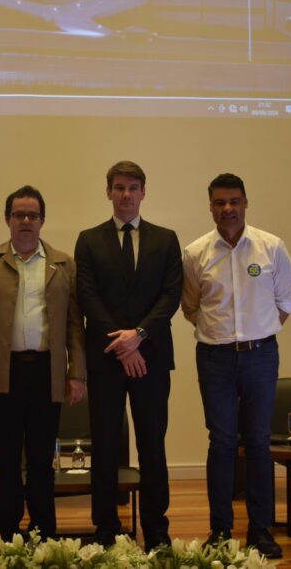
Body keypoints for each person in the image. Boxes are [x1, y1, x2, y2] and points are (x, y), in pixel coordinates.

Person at [0, 185, 86, 540]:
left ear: (43, 220)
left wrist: (77, 374)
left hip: (46, 372)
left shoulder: (63, 264)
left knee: (43, 459)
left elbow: (76, 324)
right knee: (7, 458)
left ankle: (45, 529)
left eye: (32, 215)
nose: (26, 221)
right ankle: (8, 530)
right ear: (7, 219)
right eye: (19, 215)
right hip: (2, 373)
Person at [181, 173, 291, 558]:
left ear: (246, 203)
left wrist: (255, 336)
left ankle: (261, 531)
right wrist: (226, 338)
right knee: (223, 443)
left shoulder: (271, 247)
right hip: (214, 359)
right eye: (219, 202)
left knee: (259, 443)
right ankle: (221, 530)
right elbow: (191, 307)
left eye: (234, 201)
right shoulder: (195, 252)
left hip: (261, 356)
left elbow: (286, 302)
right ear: (210, 206)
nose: (227, 209)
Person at [74, 161, 182, 551]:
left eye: (133, 188)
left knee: (153, 445)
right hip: (106, 360)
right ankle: (106, 529)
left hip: (151, 356)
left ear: (143, 192)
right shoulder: (88, 240)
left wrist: (138, 336)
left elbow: (171, 295)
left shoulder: (166, 239)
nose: (125, 195)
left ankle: (156, 530)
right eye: (118, 188)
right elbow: (87, 296)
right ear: (108, 192)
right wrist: (122, 347)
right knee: (104, 446)